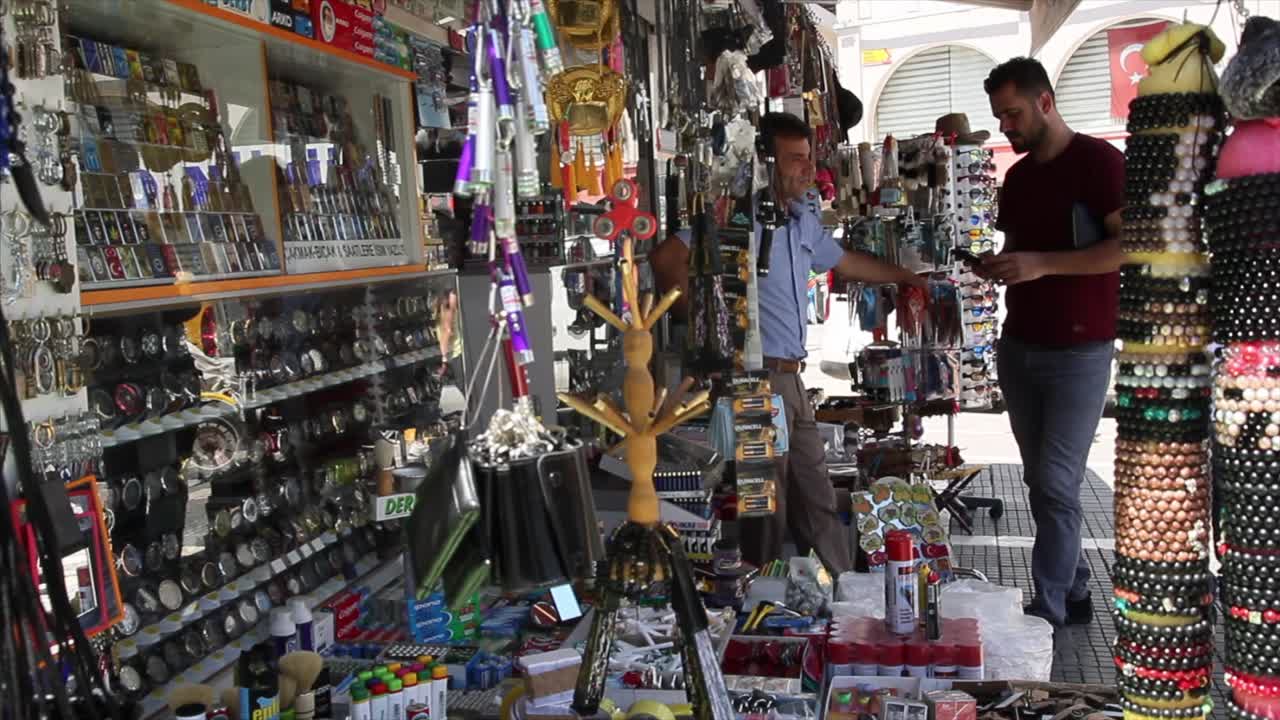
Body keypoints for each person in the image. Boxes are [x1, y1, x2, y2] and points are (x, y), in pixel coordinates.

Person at [649, 112, 925, 575]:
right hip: (754, 378)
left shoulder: (800, 221)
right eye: (795, 159)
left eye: (808, 159)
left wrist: (906, 277)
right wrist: (711, 329)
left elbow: (847, 263)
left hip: (792, 379)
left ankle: (843, 592)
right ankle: (758, 597)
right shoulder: (737, 216)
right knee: (764, 503)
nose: (807, 169)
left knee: (815, 493)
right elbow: (666, 259)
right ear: (766, 162)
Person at [975, 57, 1125, 627]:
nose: (1006, 127)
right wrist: (1004, 266)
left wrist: (1041, 265)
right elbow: (1023, 251)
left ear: (1045, 102)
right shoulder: (1018, 178)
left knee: (1058, 480)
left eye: (1012, 113)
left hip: (1081, 350)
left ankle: (1051, 606)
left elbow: (1126, 246)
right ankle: (1077, 584)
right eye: (999, 117)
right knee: (1040, 478)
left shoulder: (1100, 163)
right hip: (1020, 345)